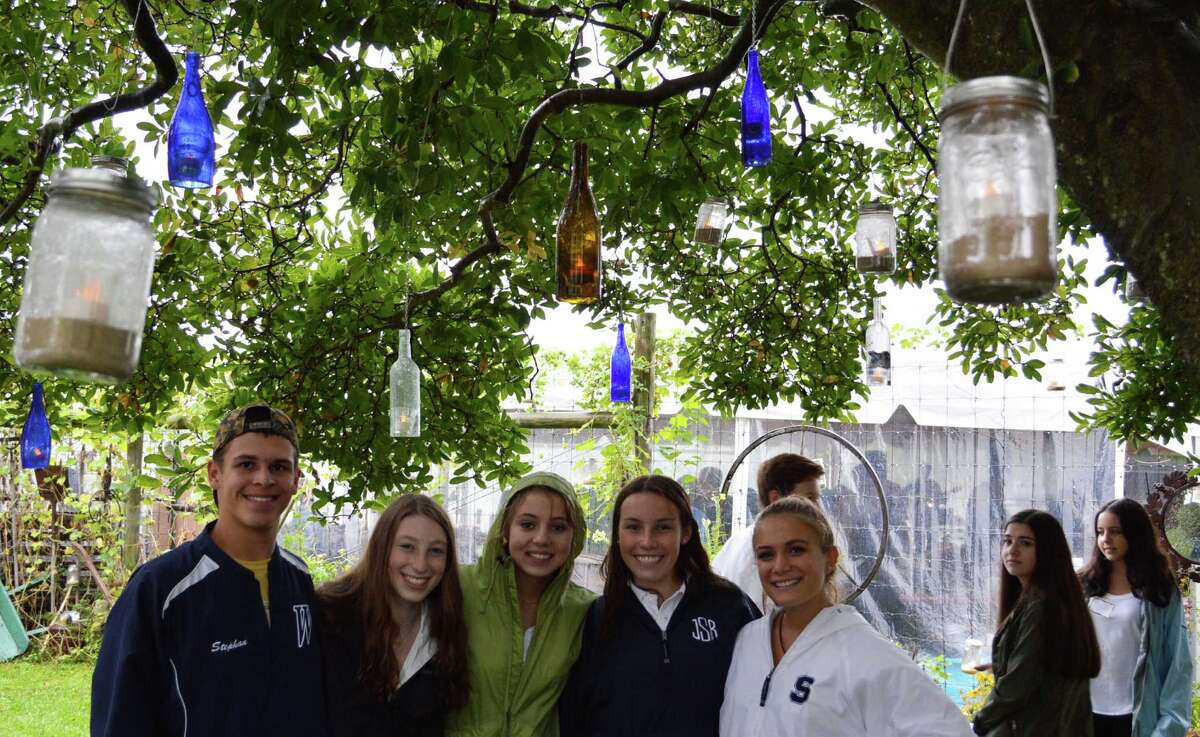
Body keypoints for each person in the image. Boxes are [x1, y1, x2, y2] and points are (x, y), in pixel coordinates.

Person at [91, 403, 325, 737]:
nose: (263, 479)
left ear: (295, 480)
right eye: (246, 464)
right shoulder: (160, 589)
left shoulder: (299, 580)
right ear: (214, 473)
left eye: (278, 466)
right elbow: (120, 720)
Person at [720, 497, 971, 737]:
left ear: (830, 559)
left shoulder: (865, 654)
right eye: (766, 555)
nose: (780, 566)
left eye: (796, 550)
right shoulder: (747, 640)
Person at [559, 475, 760, 737]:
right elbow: (573, 716)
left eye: (662, 527)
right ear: (618, 535)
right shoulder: (595, 619)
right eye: (633, 527)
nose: (647, 541)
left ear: (686, 532)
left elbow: (761, 698)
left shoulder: (729, 606)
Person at [447, 471, 594, 737]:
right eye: (527, 524)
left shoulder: (584, 610)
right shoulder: (458, 588)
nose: (541, 538)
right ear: (505, 529)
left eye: (558, 527)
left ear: (575, 538)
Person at [318, 495, 469, 737]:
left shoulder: (445, 631)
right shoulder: (331, 616)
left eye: (436, 551)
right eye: (407, 546)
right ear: (382, 547)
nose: (420, 565)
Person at [972, 509, 1102, 737]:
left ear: (1047, 551)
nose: (1012, 550)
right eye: (1007, 541)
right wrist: (1002, 662)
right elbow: (1041, 666)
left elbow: (1017, 685)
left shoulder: (1042, 606)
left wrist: (979, 721)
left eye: (1025, 543)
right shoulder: (1048, 598)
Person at [1078, 498, 1193, 737]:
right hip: (1083, 714)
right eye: (1100, 532)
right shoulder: (1083, 586)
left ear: (1135, 534)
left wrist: (1168, 727)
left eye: (1115, 531)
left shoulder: (1159, 591)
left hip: (1137, 718)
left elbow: (1178, 664)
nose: (1105, 539)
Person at [712, 453, 824, 611]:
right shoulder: (757, 549)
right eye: (810, 498)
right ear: (776, 499)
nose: (817, 508)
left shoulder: (736, 541)